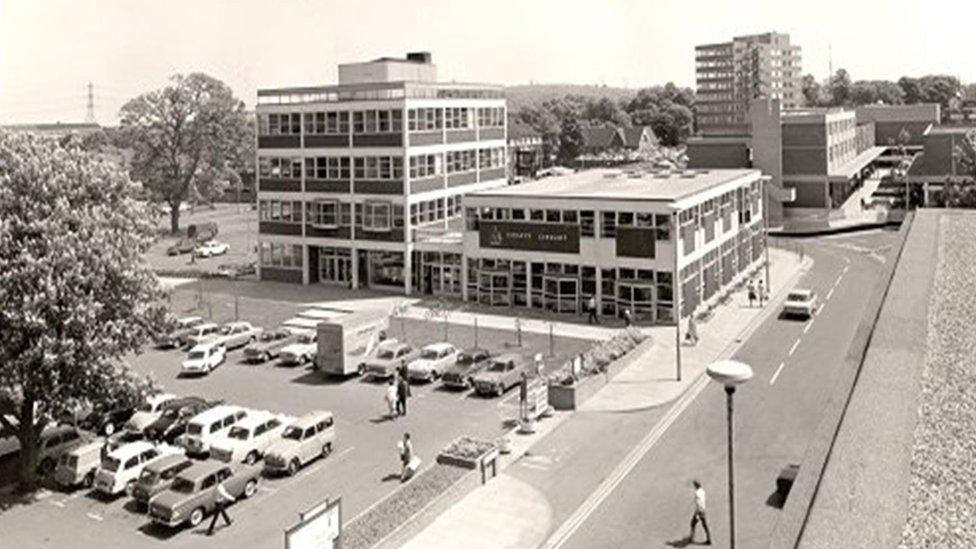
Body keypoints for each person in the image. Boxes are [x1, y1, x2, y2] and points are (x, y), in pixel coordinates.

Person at [689, 480, 711, 545]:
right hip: (703, 510)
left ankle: (691, 537)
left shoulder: (697, 493)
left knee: (693, 524)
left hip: (699, 511)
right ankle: (708, 538)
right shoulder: (702, 491)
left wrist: (697, 514)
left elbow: (699, 503)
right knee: (704, 525)